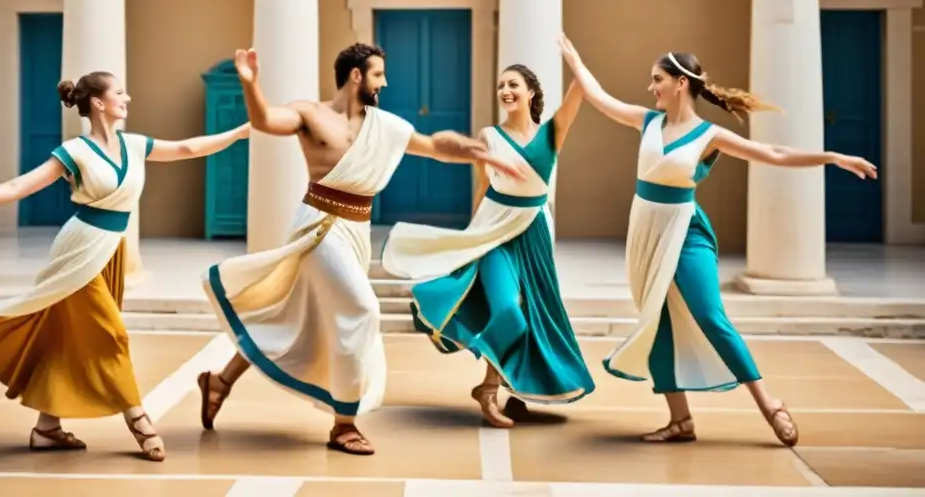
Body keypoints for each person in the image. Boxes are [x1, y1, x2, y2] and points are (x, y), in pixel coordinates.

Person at [197, 43, 526, 456]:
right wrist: (250, 84)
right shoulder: (309, 114)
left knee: (298, 315)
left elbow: (434, 144)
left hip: (355, 231)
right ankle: (344, 424)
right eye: (378, 74)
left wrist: (480, 152)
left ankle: (220, 381)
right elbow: (264, 120)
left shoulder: (383, 125)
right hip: (318, 227)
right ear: (356, 75)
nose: (384, 82)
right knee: (361, 310)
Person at [556, 34, 876, 447]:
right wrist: (575, 59)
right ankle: (680, 420)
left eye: (657, 79)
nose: (651, 87)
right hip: (646, 232)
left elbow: (774, 153)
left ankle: (770, 404)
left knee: (710, 316)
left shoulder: (709, 135)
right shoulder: (647, 121)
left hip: (685, 231)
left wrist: (833, 157)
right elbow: (598, 97)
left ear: (680, 83)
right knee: (658, 321)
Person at [0, 71, 251, 462]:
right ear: (98, 102)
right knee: (112, 336)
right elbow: (16, 188)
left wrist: (237, 134)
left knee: (70, 337)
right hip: (78, 253)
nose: (128, 98)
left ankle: (47, 428)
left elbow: (186, 149)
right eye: (120, 93)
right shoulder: (74, 152)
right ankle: (139, 419)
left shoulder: (134, 144)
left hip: (112, 251)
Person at [382, 64, 595, 428]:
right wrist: (469, 240)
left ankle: (496, 388)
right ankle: (489, 385)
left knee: (532, 317)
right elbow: (482, 189)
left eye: (513, 84)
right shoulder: (489, 136)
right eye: (501, 85)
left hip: (534, 234)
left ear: (531, 92)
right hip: (495, 233)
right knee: (509, 311)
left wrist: (575, 63)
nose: (506, 90)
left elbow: (582, 91)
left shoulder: (551, 134)